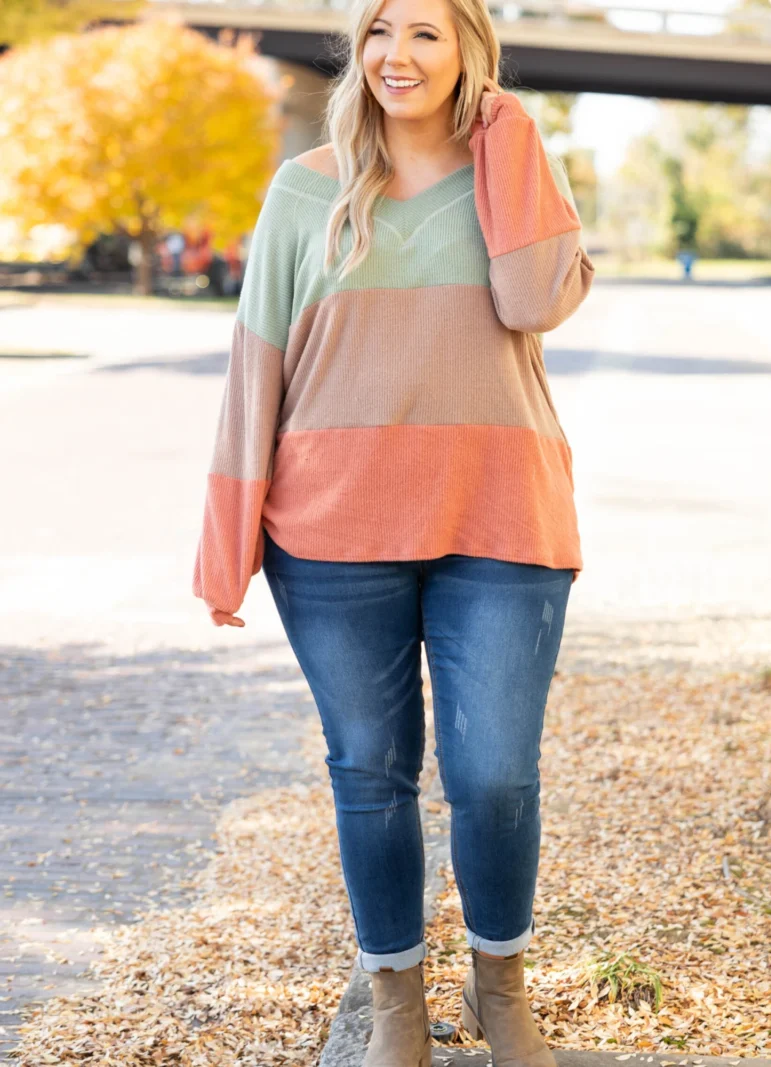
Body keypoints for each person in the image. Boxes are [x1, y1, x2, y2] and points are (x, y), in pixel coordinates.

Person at [191, 0, 595, 1063]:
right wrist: (227, 539)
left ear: (468, 50)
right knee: (370, 769)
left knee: (494, 773)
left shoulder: (512, 173)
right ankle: (395, 1002)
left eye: (424, 32)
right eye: (378, 30)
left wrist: (508, 130)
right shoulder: (305, 189)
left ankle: (499, 989)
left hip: (499, 516)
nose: (395, 55)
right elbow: (255, 366)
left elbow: (534, 300)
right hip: (331, 530)